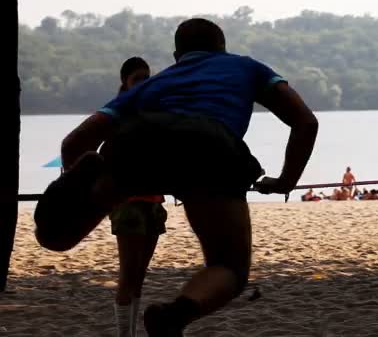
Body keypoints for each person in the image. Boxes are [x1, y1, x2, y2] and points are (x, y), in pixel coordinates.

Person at [60, 18, 318, 336]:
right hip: (210, 149)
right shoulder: (247, 68)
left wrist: (73, 187)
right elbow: (305, 122)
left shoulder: (156, 83)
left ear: (176, 55)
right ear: (222, 46)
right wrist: (285, 181)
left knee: (70, 222)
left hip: (138, 147)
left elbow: (74, 143)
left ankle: (66, 224)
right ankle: (174, 315)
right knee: (228, 267)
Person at [111, 57, 168, 337]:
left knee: (140, 277)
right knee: (128, 275)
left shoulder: (154, 111)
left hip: (154, 202)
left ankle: (130, 331)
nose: (144, 83)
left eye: (147, 77)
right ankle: (125, 334)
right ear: (125, 82)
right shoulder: (117, 113)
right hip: (129, 203)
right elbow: (104, 153)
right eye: (137, 78)